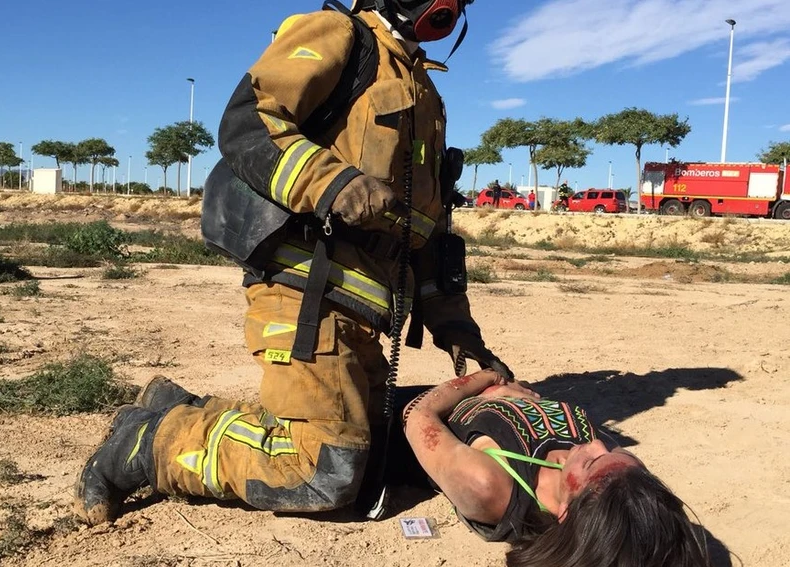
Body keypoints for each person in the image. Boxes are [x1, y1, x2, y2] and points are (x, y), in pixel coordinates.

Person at [74, 0, 514, 525]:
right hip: (306, 293)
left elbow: (426, 234)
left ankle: (175, 403)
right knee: (322, 469)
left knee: (388, 440)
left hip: (362, 312)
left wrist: (458, 331)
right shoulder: (340, 35)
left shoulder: (423, 91)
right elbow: (249, 121)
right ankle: (147, 442)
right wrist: (331, 181)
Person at [395, 370, 711, 567]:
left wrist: (487, 378)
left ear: (565, 512)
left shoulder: (491, 484)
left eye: (591, 461)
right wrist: (521, 395)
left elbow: (417, 416)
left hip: (432, 400)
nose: (597, 444)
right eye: (621, 454)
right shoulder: (614, 479)